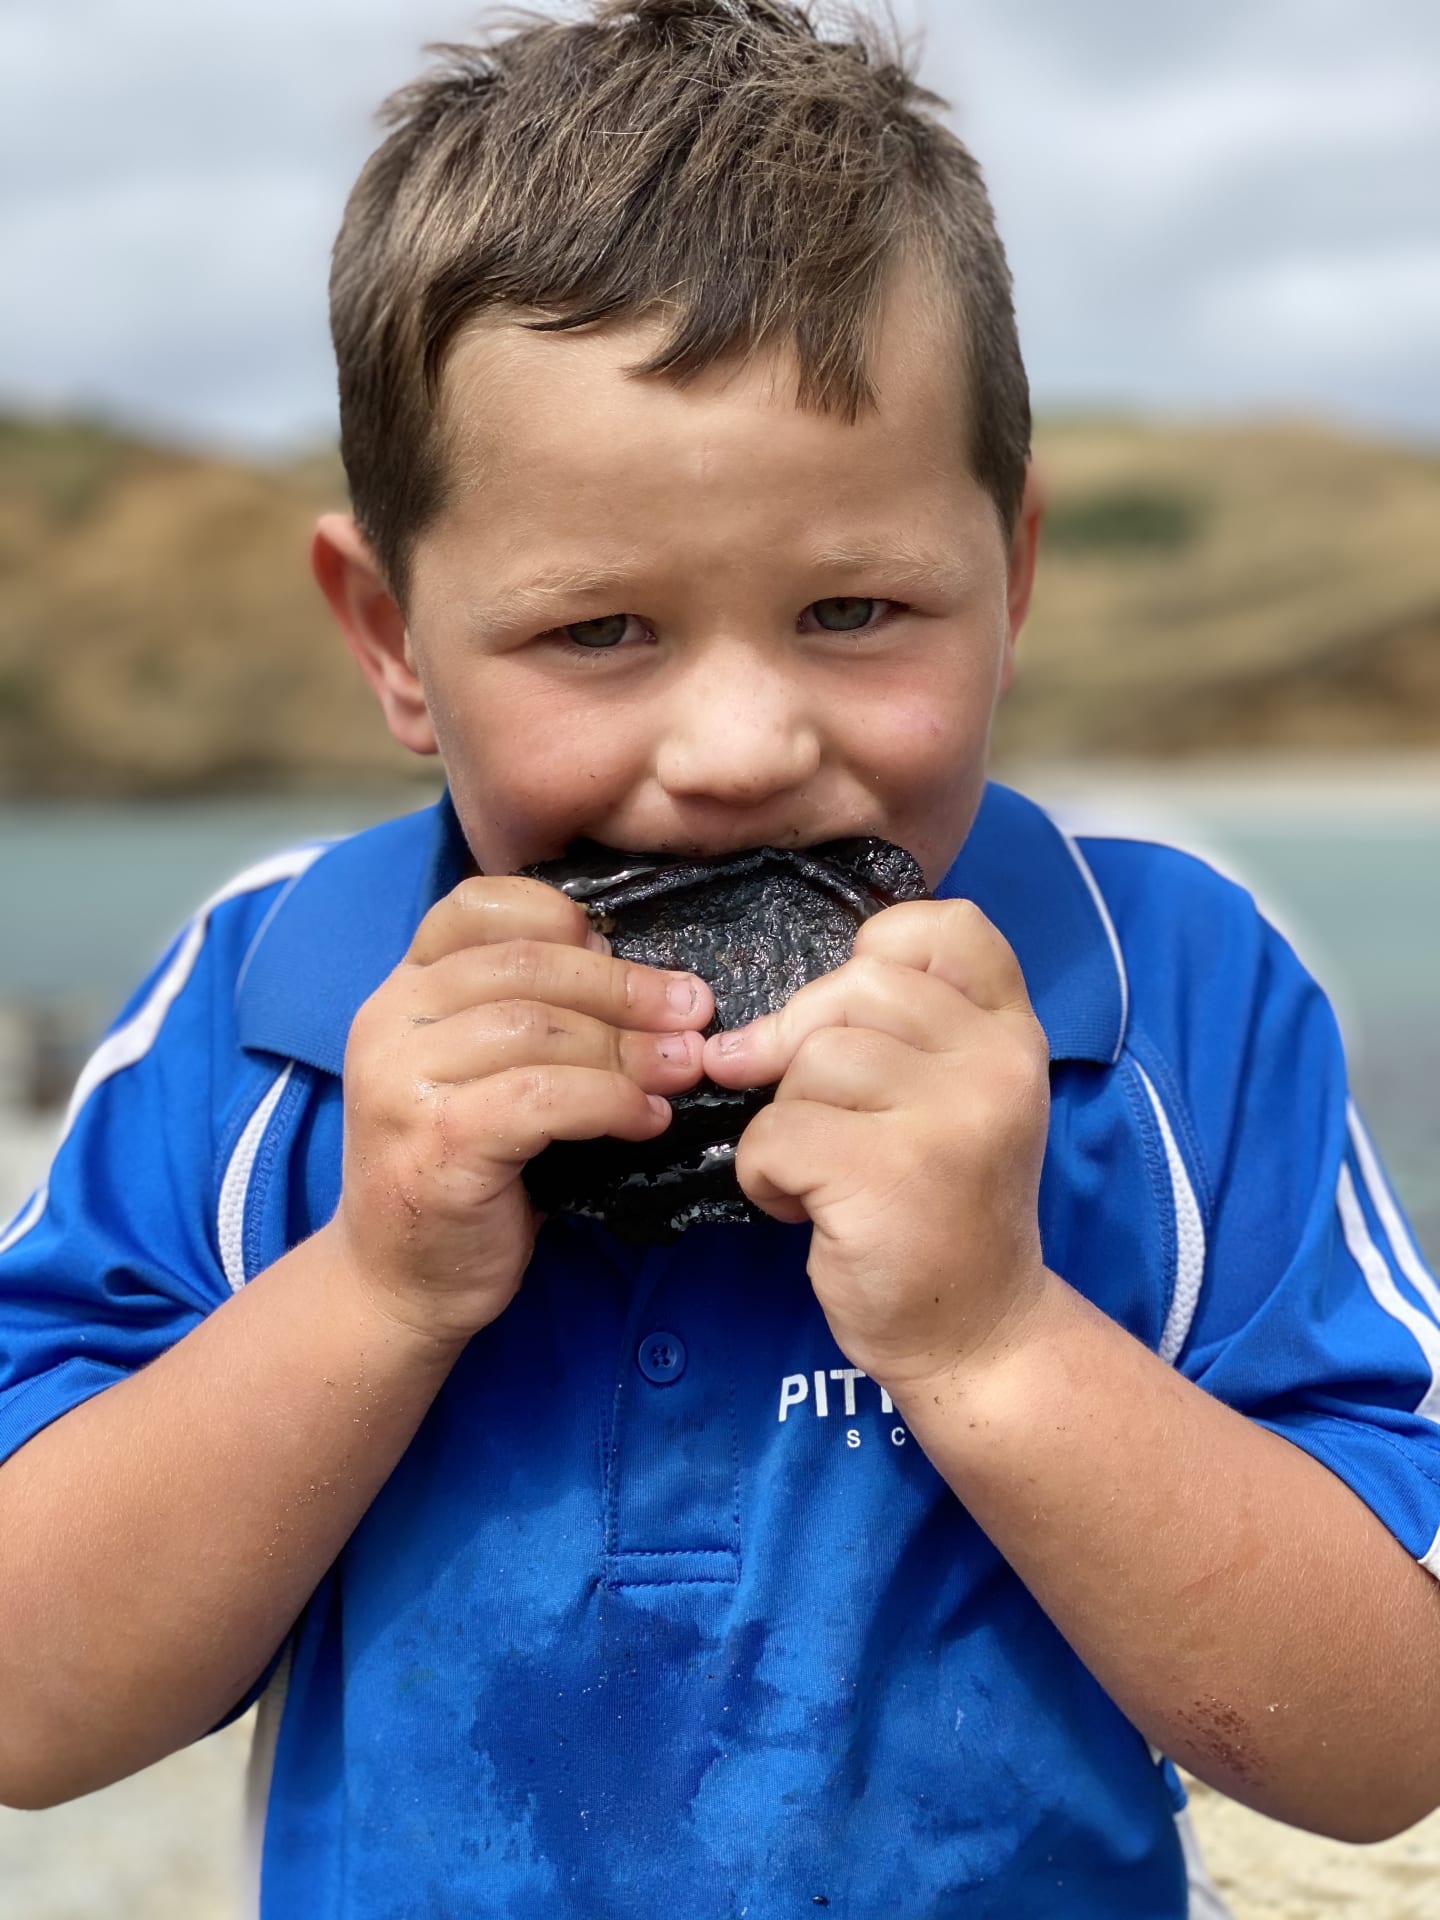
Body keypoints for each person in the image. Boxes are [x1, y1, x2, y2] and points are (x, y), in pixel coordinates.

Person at [1, 3, 1437, 1914]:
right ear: (392, 638)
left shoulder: (1172, 991)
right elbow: (33, 1701)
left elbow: (1382, 1741)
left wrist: (990, 1336)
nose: (745, 744)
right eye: (599, 630)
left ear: (1007, 577)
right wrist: (373, 1285)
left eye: (857, 609)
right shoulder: (271, 1017)